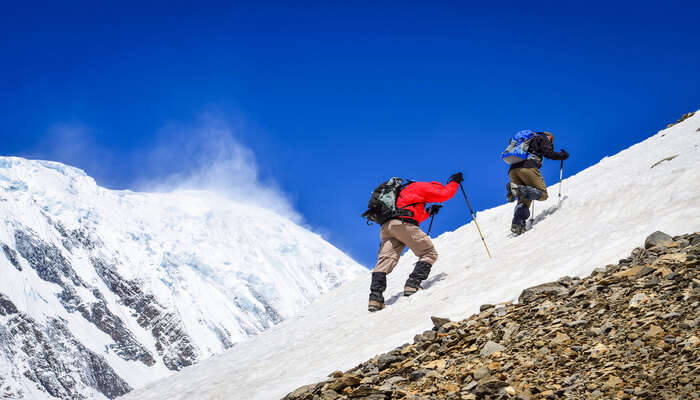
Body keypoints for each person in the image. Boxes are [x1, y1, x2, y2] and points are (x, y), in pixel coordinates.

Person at [368, 172, 462, 312]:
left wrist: (428, 212)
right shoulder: (422, 186)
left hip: (387, 228)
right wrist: (455, 182)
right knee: (429, 253)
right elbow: (445, 194)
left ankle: (375, 299)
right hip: (402, 224)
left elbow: (411, 214)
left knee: (384, 262)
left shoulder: (401, 192)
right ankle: (412, 284)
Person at [506, 131, 568, 235]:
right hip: (528, 167)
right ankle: (517, 189)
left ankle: (518, 224)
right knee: (542, 194)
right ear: (549, 137)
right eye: (551, 142)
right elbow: (548, 153)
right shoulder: (542, 138)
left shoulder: (526, 140)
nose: (551, 144)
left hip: (513, 170)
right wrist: (562, 155)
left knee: (524, 200)